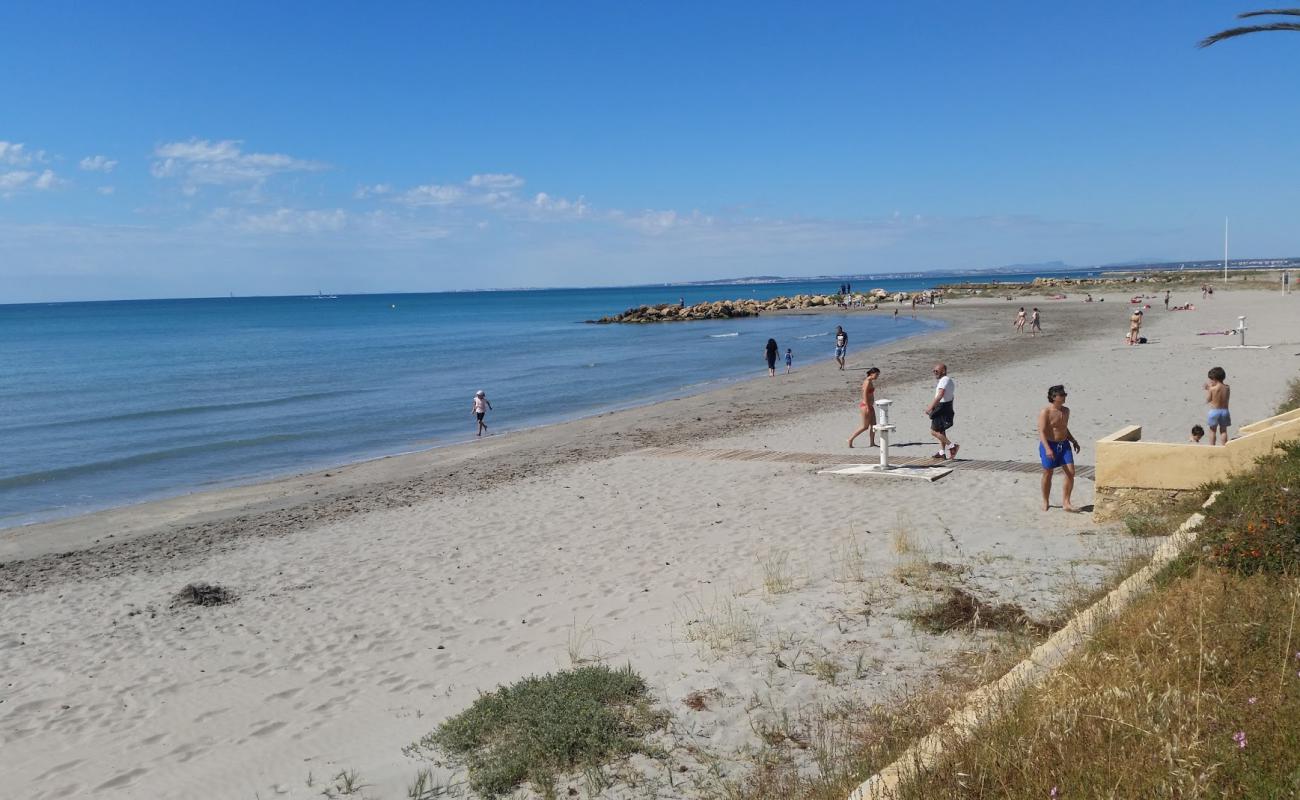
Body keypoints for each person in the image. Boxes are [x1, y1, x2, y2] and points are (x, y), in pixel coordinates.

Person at [1037, 384, 1081, 512]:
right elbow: (1041, 432)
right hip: (1049, 444)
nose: (1064, 396)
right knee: (1048, 472)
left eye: (1065, 394)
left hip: (1064, 444)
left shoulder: (1066, 411)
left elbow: (1063, 428)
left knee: (1071, 472)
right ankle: (1045, 501)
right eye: (1062, 395)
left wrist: (1073, 440)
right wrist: (1047, 449)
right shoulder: (1046, 412)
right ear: (1053, 397)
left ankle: (1066, 502)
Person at [924, 363, 959, 460]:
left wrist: (930, 407)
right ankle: (942, 452)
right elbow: (951, 395)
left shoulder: (943, 381)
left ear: (943, 371)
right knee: (941, 431)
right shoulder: (949, 380)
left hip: (942, 407)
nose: (934, 372)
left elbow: (940, 395)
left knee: (934, 431)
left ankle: (952, 446)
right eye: (933, 371)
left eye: (936, 371)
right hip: (947, 405)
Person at [847, 367, 881, 448]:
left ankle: (872, 443)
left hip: (870, 406)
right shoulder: (867, 382)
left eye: (878, 375)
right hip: (866, 407)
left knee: (874, 425)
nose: (877, 376)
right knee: (865, 427)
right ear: (872, 374)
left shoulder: (870, 381)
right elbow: (865, 394)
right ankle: (850, 439)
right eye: (876, 374)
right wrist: (868, 407)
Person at [1205, 366, 1231, 445]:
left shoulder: (1213, 389)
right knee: (1223, 431)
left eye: (1211, 379)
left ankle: (1212, 447)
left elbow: (1208, 400)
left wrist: (1209, 389)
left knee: (1212, 430)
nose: (1210, 381)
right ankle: (1224, 446)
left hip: (1214, 411)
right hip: (1225, 411)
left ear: (1214, 379)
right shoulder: (1227, 387)